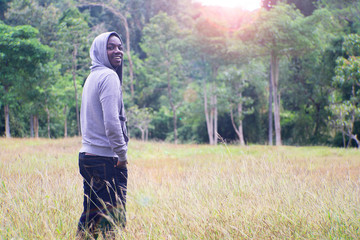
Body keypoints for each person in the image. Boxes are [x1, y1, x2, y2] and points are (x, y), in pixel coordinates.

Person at [77, 32, 129, 239]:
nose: (117, 51)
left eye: (119, 46)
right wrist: (122, 156)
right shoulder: (108, 76)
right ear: (100, 51)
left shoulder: (92, 77)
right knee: (112, 222)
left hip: (87, 157)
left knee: (90, 218)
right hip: (106, 160)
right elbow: (111, 122)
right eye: (110, 47)